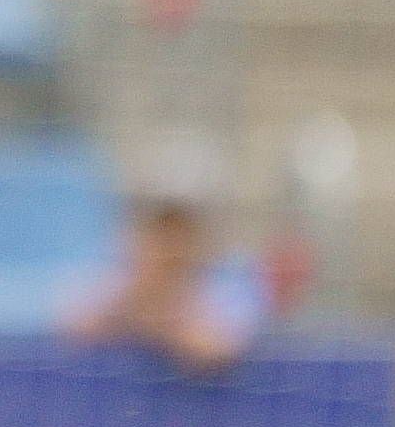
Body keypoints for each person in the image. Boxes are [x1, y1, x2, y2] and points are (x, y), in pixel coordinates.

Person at [65, 140, 288, 375]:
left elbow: (217, 348)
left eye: (182, 228)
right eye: (161, 228)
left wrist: (158, 319)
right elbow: (75, 325)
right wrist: (132, 303)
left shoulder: (232, 279)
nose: (171, 243)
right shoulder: (120, 276)